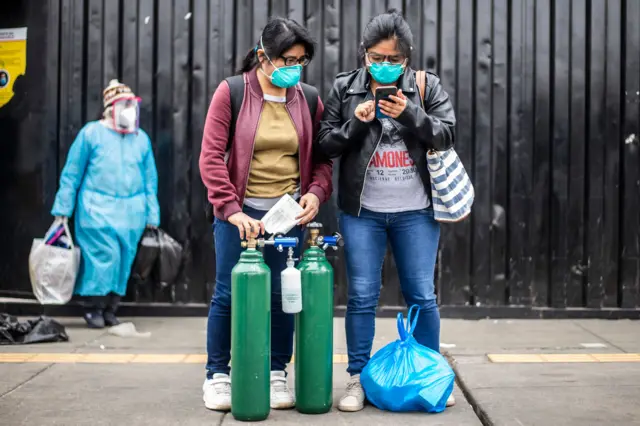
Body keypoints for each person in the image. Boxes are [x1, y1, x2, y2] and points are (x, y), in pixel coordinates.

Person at [316, 10, 457, 412]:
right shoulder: (346, 87)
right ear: (364, 56)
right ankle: (357, 378)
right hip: (363, 212)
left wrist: (409, 113)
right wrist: (357, 123)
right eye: (376, 56)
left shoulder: (425, 86)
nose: (384, 64)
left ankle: (429, 376)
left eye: (393, 58)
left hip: (416, 211)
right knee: (361, 295)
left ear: (406, 58)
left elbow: (447, 134)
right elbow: (326, 144)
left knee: (421, 295)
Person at [199, 17, 332, 412]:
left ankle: (276, 373)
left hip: (286, 215)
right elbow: (210, 158)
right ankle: (217, 376)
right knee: (227, 294)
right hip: (241, 214)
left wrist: (315, 193)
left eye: (302, 61)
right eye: (287, 59)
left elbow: (322, 158)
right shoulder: (232, 92)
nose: (294, 67)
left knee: (282, 295)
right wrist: (230, 210)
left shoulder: (307, 98)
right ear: (263, 56)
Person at [51, 79, 160, 329]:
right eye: (125, 105)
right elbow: (72, 174)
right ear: (111, 108)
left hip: (132, 213)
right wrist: (62, 211)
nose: (130, 110)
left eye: (132, 105)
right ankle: (93, 307)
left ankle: (111, 307)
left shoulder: (140, 138)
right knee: (103, 258)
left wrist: (152, 212)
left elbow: (149, 179)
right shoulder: (91, 134)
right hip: (96, 210)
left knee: (123, 259)